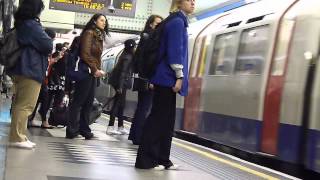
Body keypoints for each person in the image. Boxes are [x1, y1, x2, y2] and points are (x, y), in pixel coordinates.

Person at [135, 0, 195, 170]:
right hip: (167, 77)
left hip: (164, 77)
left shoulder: (175, 21)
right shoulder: (176, 23)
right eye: (189, 0)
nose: (193, 2)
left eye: (194, 0)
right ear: (178, 2)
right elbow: (175, 52)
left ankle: (162, 158)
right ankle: (146, 160)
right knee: (159, 120)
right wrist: (179, 76)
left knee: (166, 121)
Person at [7, 0, 53, 149]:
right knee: (26, 105)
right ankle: (18, 137)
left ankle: (19, 135)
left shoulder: (23, 24)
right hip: (30, 69)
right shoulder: (31, 25)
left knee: (20, 104)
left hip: (22, 68)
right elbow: (47, 45)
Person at [66, 14, 106, 140]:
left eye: (105, 21)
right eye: (101, 20)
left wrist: (96, 70)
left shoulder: (98, 36)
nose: (104, 23)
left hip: (92, 73)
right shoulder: (89, 33)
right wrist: (95, 69)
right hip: (85, 72)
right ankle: (72, 129)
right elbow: (85, 54)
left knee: (88, 103)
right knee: (78, 102)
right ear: (94, 21)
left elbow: (95, 57)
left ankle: (84, 129)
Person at [128, 15, 163, 145]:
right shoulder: (151, 38)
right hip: (147, 78)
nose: (160, 26)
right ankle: (138, 137)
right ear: (151, 24)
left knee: (141, 107)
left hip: (142, 77)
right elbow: (149, 61)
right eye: (157, 24)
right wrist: (152, 79)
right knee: (144, 108)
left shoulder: (144, 37)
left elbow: (138, 59)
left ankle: (134, 135)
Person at [28, 28, 57, 129]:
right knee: (41, 99)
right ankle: (38, 120)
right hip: (38, 78)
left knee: (40, 99)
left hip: (42, 78)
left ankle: (32, 119)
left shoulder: (44, 47)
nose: (52, 42)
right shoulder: (42, 47)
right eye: (52, 39)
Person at [107, 39, 136, 135]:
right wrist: (120, 87)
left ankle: (120, 126)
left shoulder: (125, 55)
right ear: (132, 47)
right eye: (134, 47)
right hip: (121, 83)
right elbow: (123, 73)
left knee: (121, 105)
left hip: (121, 83)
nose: (135, 48)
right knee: (117, 104)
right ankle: (110, 127)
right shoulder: (128, 58)